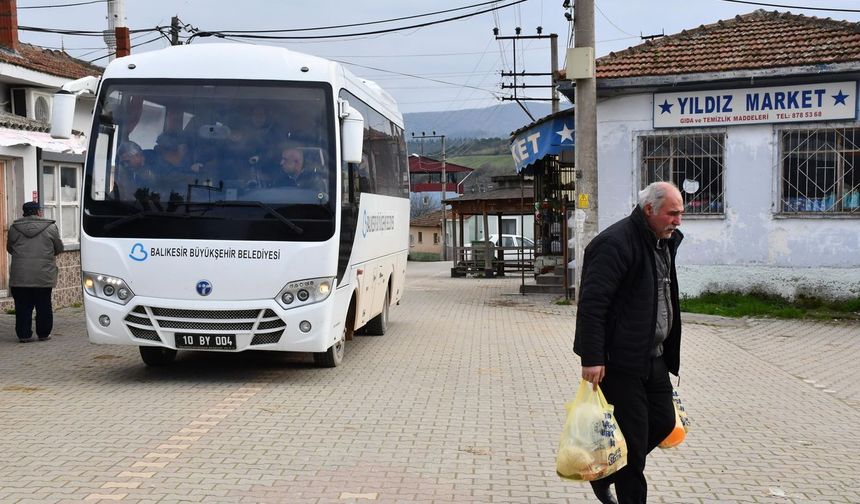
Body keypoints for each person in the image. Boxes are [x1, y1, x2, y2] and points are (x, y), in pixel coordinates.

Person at [573, 181, 685, 504]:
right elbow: (593, 304)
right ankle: (623, 474)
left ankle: (607, 470)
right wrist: (592, 357)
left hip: (654, 357)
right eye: (672, 214)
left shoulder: (664, 242)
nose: (678, 221)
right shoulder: (615, 243)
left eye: (681, 214)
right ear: (649, 210)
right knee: (634, 447)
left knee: (664, 421)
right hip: (620, 362)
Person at [6, 202, 64, 343]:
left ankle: (24, 335)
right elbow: (59, 248)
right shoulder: (51, 227)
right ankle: (43, 334)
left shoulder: (14, 228)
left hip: (20, 275)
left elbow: (10, 248)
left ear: (24, 212)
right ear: (38, 212)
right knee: (43, 305)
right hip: (43, 275)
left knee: (22, 307)